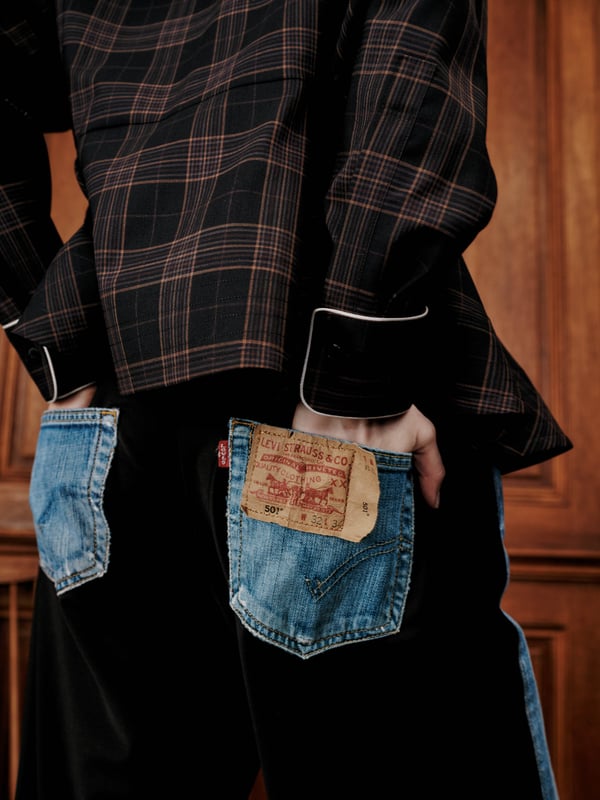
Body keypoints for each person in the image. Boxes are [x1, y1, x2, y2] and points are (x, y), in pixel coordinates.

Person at [0, 2, 572, 798]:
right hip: (320, 385)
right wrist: (358, 362)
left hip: (110, 411)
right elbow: (412, 67)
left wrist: (59, 348)